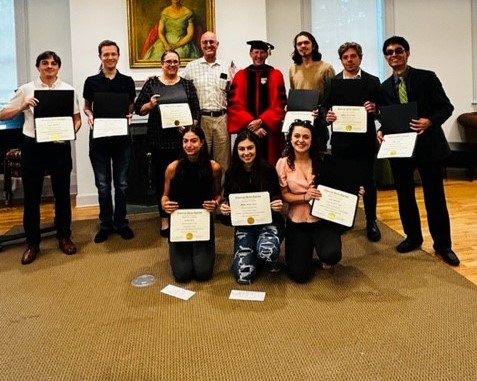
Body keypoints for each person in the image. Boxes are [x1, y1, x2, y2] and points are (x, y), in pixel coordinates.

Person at [378, 36, 459, 266]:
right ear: (386, 57)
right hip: (400, 149)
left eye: (398, 51)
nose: (394, 55)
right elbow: (390, 117)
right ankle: (413, 237)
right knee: (404, 196)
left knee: (435, 197)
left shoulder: (427, 77)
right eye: (390, 52)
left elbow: (446, 107)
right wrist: (382, 130)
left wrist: (429, 121)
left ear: (407, 53)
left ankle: (443, 245)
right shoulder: (384, 88)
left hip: (429, 147)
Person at [0, 51, 81, 265]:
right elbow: (3, 114)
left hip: (60, 147)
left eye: (54, 63)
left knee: (62, 194)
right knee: (32, 196)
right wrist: (22, 106)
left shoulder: (68, 90)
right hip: (33, 146)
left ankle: (64, 236)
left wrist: (70, 134)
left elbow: (77, 118)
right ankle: (32, 243)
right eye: (45, 63)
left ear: (58, 67)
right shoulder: (27, 89)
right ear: (38, 67)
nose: (49, 66)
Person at [276, 120, 363, 283]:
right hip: (297, 221)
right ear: (290, 138)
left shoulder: (324, 161)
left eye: (305, 137)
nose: (300, 140)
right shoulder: (282, 164)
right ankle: (307, 249)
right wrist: (304, 197)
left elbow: (341, 186)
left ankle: (324, 248)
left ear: (312, 140)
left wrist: (354, 191)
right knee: (299, 275)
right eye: (297, 136)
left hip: (322, 220)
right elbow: (284, 195)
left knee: (332, 255)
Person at [134, 50, 200, 237]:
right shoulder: (152, 84)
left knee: (184, 179)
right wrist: (151, 105)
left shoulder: (187, 85)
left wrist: (188, 130)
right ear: (162, 63)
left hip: (182, 143)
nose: (172, 65)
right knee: (161, 180)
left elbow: (196, 113)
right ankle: (164, 219)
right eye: (168, 61)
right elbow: (139, 109)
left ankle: (182, 216)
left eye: (175, 61)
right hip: (158, 141)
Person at [321, 42, 381, 242]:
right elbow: (323, 108)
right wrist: (326, 116)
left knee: (369, 182)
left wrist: (375, 108)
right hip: (341, 142)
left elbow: (382, 109)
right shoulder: (332, 82)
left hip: (365, 141)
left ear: (360, 58)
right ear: (341, 60)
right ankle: (343, 219)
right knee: (342, 181)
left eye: (353, 56)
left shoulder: (373, 81)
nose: (349, 60)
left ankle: (371, 221)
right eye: (345, 57)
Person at [83, 40, 136, 243]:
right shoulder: (91, 81)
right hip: (99, 139)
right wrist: (89, 115)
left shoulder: (127, 81)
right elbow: (88, 105)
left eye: (113, 54)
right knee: (103, 185)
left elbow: (130, 104)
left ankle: (121, 222)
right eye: (106, 54)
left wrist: (130, 114)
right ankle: (106, 224)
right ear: (100, 57)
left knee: (121, 184)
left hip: (121, 138)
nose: (110, 58)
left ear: (118, 56)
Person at [220, 130, 284, 284]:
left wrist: (277, 203)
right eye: (242, 149)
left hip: (269, 222)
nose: (246, 153)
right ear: (236, 151)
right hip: (245, 226)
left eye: (250, 148)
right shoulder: (231, 173)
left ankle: (267, 256)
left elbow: (277, 197)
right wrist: (224, 209)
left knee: (267, 253)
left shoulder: (268, 170)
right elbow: (227, 201)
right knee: (243, 277)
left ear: (257, 148)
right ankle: (252, 250)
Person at [161, 126, 222, 282]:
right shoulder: (172, 168)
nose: (189, 145)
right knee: (182, 275)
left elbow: (218, 195)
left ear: (202, 143)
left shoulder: (214, 168)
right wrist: (165, 204)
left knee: (203, 273)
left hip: (202, 223)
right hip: (180, 224)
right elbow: (165, 197)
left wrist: (215, 203)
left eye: (193, 141)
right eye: (185, 141)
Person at [227, 40, 287, 166]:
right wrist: (251, 123)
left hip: (269, 132)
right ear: (250, 53)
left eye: (262, 52)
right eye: (256, 52)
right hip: (246, 129)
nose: (259, 56)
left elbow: (279, 104)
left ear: (267, 54)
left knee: (270, 165)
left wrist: (262, 121)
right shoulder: (240, 75)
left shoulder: (275, 75)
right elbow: (234, 104)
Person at [182, 31, 231, 182]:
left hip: (222, 118)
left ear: (217, 44)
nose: (208, 45)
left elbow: (235, 91)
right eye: (205, 42)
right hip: (201, 120)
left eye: (212, 42)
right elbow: (179, 88)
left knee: (223, 162)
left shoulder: (227, 66)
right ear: (200, 45)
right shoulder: (191, 67)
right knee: (200, 159)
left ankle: (221, 198)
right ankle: (204, 196)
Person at [289, 31, 335, 151]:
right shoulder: (293, 69)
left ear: (313, 45)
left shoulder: (326, 68)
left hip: (318, 124)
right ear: (296, 47)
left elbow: (331, 96)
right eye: (299, 44)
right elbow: (295, 95)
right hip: (299, 125)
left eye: (306, 42)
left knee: (318, 163)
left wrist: (321, 113)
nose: (303, 46)